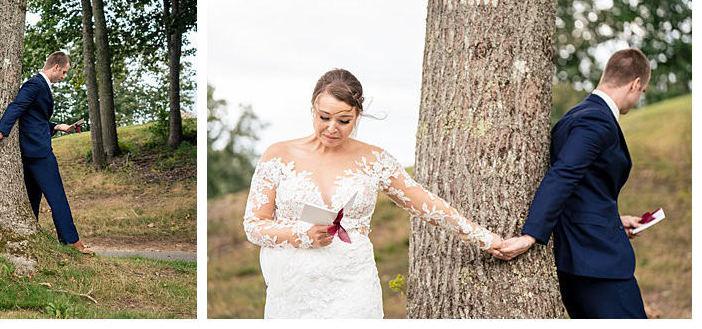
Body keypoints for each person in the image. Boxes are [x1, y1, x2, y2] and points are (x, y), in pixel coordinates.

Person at [242, 68, 503, 318]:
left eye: (344, 120)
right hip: (291, 290)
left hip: (353, 287)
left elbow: (427, 205)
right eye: (324, 117)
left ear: (358, 115)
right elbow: (254, 226)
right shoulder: (278, 155)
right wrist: (302, 235)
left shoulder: (374, 159)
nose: (333, 128)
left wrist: (487, 240)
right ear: (313, 108)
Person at [496, 48, 652, 318]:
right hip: (598, 266)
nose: (639, 98)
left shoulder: (575, 115)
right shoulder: (597, 120)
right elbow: (564, 173)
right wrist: (531, 235)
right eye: (643, 91)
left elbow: (583, 186)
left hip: (578, 260)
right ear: (635, 84)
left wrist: (616, 220)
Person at [0, 51, 91, 254]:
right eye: (65, 72)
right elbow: (16, 107)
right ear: (56, 67)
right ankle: (71, 241)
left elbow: (34, 119)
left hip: (31, 150)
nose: (63, 77)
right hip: (39, 152)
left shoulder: (41, 86)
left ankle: (30, 235)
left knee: (32, 198)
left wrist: (58, 126)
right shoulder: (35, 84)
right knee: (57, 195)